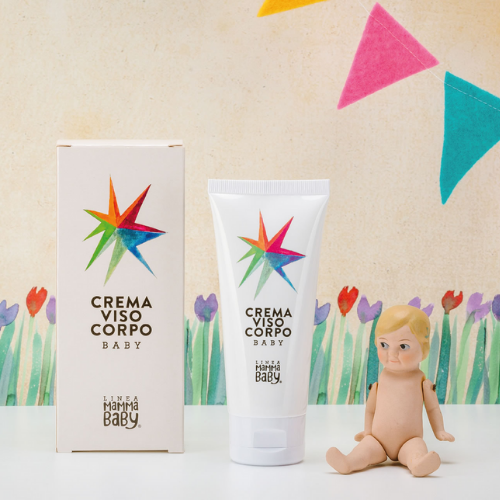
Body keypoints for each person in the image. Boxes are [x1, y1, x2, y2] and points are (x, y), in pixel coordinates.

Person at [326, 305, 455, 477]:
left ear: (423, 349)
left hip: (409, 439)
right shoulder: (382, 378)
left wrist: (439, 430)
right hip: (378, 440)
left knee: (416, 448)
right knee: (364, 449)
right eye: (384, 344)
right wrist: (367, 431)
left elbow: (432, 408)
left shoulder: (421, 381)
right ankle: (348, 462)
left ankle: (417, 463)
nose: (392, 353)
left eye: (403, 346)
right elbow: (371, 408)